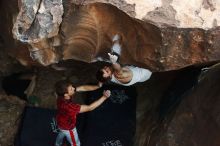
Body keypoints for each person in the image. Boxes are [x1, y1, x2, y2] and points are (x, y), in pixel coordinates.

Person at [54, 80, 111, 146]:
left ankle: (57, 144)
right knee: (76, 144)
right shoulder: (69, 107)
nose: (74, 88)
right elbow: (90, 107)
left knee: (62, 132)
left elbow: (83, 88)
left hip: (60, 121)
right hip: (68, 127)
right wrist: (104, 97)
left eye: (72, 86)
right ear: (66, 94)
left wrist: (97, 86)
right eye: (71, 89)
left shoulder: (60, 95)